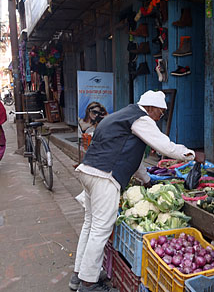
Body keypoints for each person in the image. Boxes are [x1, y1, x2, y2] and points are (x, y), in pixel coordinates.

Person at [70, 90, 205, 292]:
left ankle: (79, 275)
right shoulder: (140, 119)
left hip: (89, 171)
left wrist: (147, 180)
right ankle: (88, 284)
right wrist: (194, 155)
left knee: (90, 225)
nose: (160, 118)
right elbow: (166, 147)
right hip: (103, 176)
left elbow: (130, 156)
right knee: (100, 229)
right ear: (150, 108)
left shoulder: (122, 115)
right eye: (160, 113)